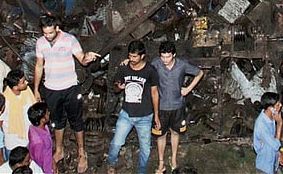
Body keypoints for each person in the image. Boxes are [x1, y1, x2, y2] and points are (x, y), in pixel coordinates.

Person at [32, 15, 99, 173]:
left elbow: (81, 59)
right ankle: (59, 150)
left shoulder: (70, 40)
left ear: (57, 28)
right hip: (51, 88)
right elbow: (39, 66)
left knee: (76, 120)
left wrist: (87, 57)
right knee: (57, 120)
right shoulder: (40, 42)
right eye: (44, 33)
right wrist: (36, 89)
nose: (47, 36)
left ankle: (82, 152)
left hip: (70, 88)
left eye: (50, 32)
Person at [106, 40, 159, 174]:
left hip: (145, 116)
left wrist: (156, 115)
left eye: (135, 56)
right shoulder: (124, 68)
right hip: (126, 114)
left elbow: (154, 93)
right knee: (116, 142)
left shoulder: (150, 71)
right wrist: (118, 87)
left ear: (142, 56)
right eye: (130, 56)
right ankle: (111, 162)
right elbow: (115, 88)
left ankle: (142, 170)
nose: (131, 59)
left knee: (145, 148)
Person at [150, 40, 203, 174]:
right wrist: (128, 62)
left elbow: (199, 73)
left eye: (168, 57)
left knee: (175, 132)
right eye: (163, 57)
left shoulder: (182, 64)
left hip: (177, 106)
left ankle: (173, 159)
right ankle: (161, 161)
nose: (165, 60)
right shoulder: (156, 63)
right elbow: (143, 69)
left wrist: (188, 89)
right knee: (161, 135)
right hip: (161, 107)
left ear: (174, 55)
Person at [0, 69, 34, 154]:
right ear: (15, 87)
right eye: (23, 82)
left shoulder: (27, 91)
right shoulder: (5, 101)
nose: (26, 83)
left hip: (29, 136)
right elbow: (0, 122)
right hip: (13, 141)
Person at [252, 91, 282, 174]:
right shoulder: (262, 125)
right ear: (270, 108)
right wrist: (279, 124)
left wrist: (278, 153)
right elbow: (275, 145)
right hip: (264, 166)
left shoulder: (271, 117)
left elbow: (273, 140)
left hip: (273, 162)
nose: (280, 106)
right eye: (277, 105)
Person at [27, 103, 53, 174]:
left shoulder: (44, 127)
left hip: (49, 163)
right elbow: (38, 162)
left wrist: (53, 162)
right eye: (47, 113)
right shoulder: (38, 142)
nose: (49, 113)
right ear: (42, 120)